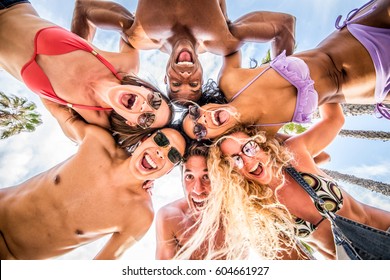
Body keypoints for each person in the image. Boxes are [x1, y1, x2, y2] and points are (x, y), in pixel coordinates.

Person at [0, 100, 186, 260]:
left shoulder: (139, 215)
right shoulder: (98, 142)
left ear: (169, 171)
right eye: (161, 140)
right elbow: (56, 107)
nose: (161, 152)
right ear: (146, 139)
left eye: (173, 156)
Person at [182, 0, 390, 140]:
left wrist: (283, 62)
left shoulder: (230, 80)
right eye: (199, 130)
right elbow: (319, 155)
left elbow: (227, 28)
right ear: (212, 140)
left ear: (204, 104)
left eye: (194, 112)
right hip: (379, 87)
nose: (202, 118)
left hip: (363, 32)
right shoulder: (264, 136)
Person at [204, 103, 390, 259]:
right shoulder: (260, 211)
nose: (247, 159)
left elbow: (334, 119)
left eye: (249, 148)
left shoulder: (293, 154)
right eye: (235, 159)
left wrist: (313, 73)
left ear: (261, 144)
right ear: (231, 171)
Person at [71, 0, 296, 104]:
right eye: (194, 84)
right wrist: (282, 85)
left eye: (176, 85)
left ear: (166, 77)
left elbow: (84, 9)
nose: (185, 78)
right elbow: (284, 25)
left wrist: (77, 65)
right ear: (202, 76)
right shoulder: (222, 40)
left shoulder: (138, 35)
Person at [0, 1, 173, 134]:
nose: (146, 106)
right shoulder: (125, 64)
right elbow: (87, 4)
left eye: (147, 119)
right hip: (13, 4)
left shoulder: (93, 122)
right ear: (146, 89)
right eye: (155, 100)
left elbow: (94, 150)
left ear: (131, 123)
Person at [155, 141, 227, 260]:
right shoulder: (169, 218)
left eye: (207, 177)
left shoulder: (238, 218)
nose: (198, 190)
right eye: (189, 177)